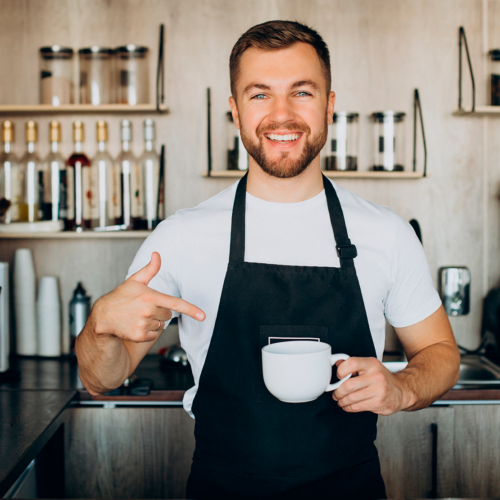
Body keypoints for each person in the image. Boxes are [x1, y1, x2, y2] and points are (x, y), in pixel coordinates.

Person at [76, 20, 460, 500]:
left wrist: (402, 388)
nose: (282, 115)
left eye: (302, 92)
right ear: (234, 112)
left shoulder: (386, 233)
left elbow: (442, 355)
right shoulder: (179, 238)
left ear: (330, 105)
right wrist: (100, 328)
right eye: (260, 95)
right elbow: (101, 378)